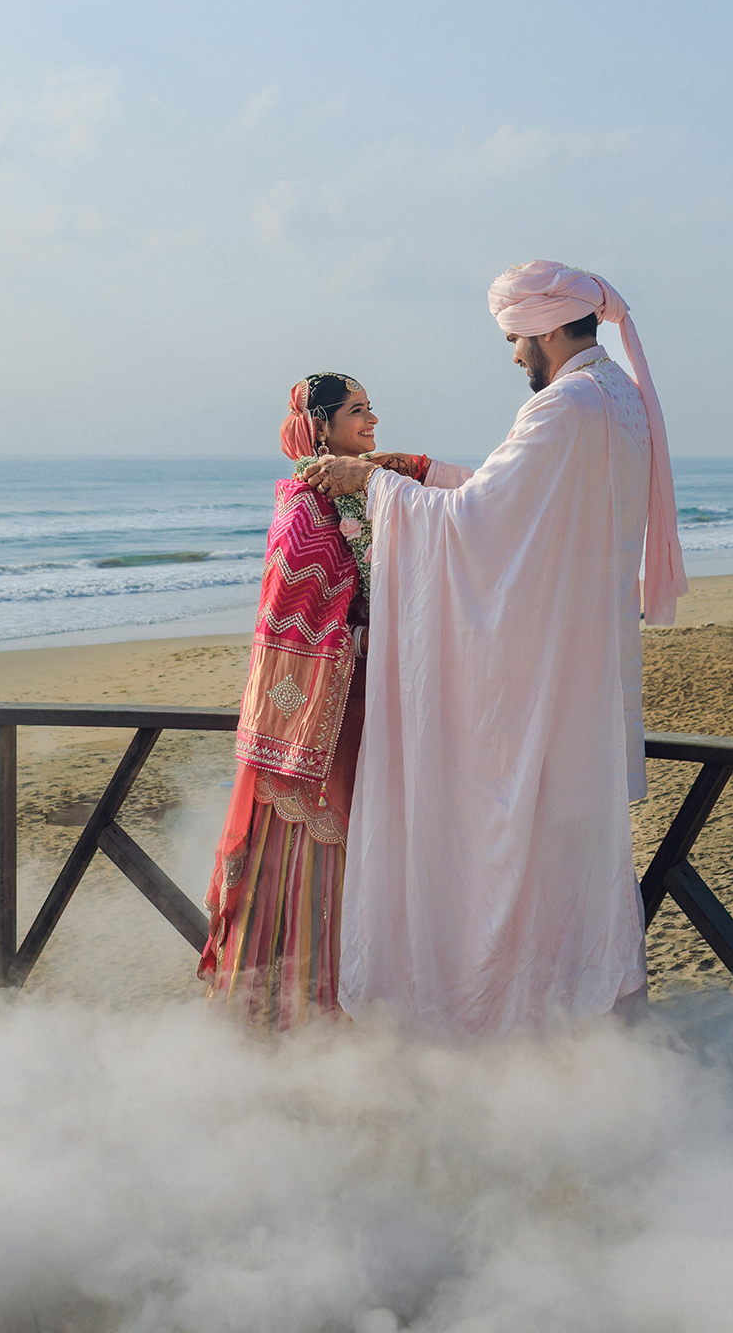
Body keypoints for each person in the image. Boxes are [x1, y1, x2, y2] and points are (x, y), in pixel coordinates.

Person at [299, 261, 687, 1033]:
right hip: (586, 665)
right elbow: (510, 498)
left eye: (515, 339)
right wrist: (410, 472)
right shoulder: (621, 401)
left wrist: (369, 486)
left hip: (543, 669)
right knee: (569, 864)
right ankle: (581, 1030)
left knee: (514, 852)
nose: (513, 356)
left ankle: (511, 1026)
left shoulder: (567, 407)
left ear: (546, 328)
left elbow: (481, 524)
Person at [198, 373, 430, 1027]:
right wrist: (357, 621)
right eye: (358, 411)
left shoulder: (364, 498)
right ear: (320, 428)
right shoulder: (303, 506)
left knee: (358, 855)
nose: (374, 419)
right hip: (308, 716)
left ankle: (348, 1005)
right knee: (302, 860)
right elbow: (289, 600)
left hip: (359, 709)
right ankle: (284, 1013)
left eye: (372, 408)